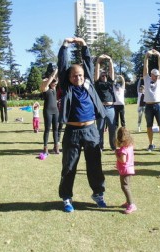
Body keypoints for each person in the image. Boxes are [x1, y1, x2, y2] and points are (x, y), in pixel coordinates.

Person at [58, 37, 107, 212]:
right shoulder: (66, 86)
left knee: (94, 165)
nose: (77, 77)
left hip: (91, 130)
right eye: (74, 75)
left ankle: (98, 194)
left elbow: (87, 63)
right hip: (72, 131)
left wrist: (84, 45)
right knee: (69, 166)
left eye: (80, 75)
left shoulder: (88, 84)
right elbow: (62, 66)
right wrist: (65, 46)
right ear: (69, 77)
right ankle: (66, 198)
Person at [143, 49, 160, 152]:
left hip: (158, 105)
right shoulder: (146, 79)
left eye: (157, 76)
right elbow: (145, 68)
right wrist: (146, 56)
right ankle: (151, 144)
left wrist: (159, 55)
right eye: (155, 75)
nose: (156, 77)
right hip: (148, 106)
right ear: (151, 74)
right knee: (149, 126)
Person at [94, 54, 116, 151]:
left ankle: (113, 146)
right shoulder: (97, 83)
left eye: (104, 75)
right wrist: (98, 61)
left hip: (111, 108)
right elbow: (96, 73)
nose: (103, 76)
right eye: (102, 75)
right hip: (101, 108)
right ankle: (100, 146)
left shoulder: (110, 82)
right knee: (100, 128)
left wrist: (110, 60)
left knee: (112, 128)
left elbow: (112, 71)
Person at [39, 66, 59, 160]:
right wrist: (54, 72)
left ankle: (56, 146)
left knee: (56, 129)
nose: (55, 84)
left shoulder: (54, 88)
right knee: (47, 129)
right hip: (48, 111)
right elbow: (50, 79)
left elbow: (56, 79)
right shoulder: (45, 88)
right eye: (53, 82)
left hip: (56, 111)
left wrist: (59, 70)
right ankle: (45, 147)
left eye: (55, 83)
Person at [115, 127, 137, 214]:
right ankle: (128, 202)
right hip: (129, 169)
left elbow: (123, 160)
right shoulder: (130, 146)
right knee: (126, 186)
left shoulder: (123, 149)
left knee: (125, 187)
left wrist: (117, 155)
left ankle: (131, 204)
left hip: (125, 170)